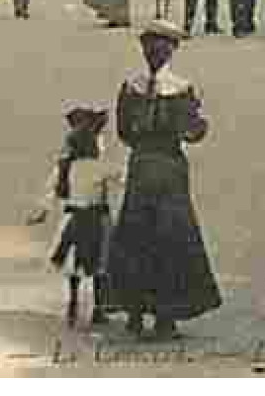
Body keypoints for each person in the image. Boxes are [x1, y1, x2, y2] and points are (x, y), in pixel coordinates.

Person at [104, 21, 222, 340]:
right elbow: (193, 132)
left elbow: (125, 132)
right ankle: (165, 315)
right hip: (170, 168)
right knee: (172, 238)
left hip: (141, 165)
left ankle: (135, 312)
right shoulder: (182, 89)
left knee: (135, 234)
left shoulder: (131, 87)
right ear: (172, 51)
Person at [27, 107, 123, 329]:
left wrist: (41, 212)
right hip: (98, 219)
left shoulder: (65, 168)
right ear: (93, 144)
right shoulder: (101, 167)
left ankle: (73, 304)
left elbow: (50, 192)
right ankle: (98, 309)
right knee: (100, 267)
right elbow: (123, 180)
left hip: (72, 219)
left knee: (74, 267)